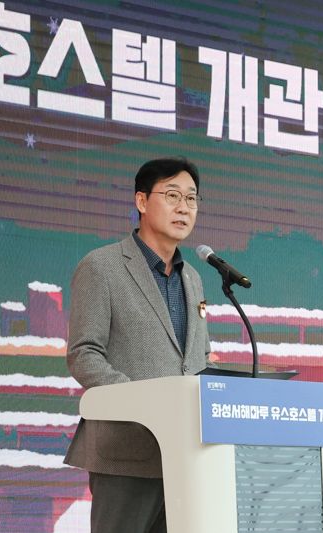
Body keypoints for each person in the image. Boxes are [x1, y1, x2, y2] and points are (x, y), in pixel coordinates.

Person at [64, 157, 211, 533]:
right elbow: (84, 353)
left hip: (183, 456)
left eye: (191, 198)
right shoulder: (102, 266)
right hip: (125, 451)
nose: (184, 207)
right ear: (142, 201)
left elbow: (198, 358)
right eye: (172, 195)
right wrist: (143, 405)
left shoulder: (193, 278)